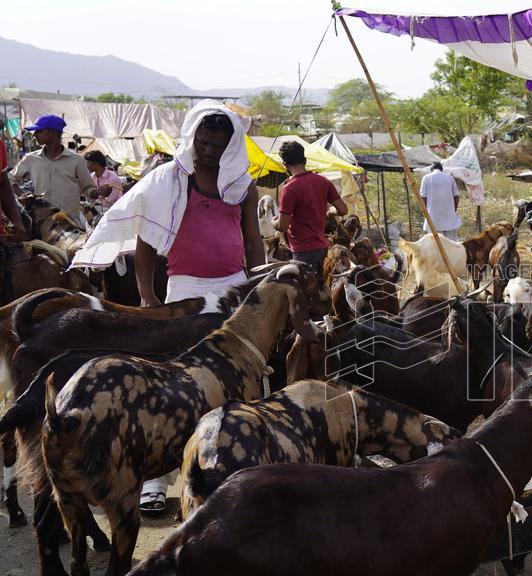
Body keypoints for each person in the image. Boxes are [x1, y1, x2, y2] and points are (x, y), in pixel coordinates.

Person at [70, 100, 265, 513]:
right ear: (193, 136)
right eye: (204, 142)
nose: (209, 150)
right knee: (173, 381)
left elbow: (252, 240)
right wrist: (147, 295)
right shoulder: (170, 180)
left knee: (240, 379)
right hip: (184, 291)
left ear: (232, 146)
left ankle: (237, 469)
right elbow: (146, 240)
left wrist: (259, 287)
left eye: (218, 145)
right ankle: (154, 481)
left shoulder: (242, 185)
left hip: (233, 288)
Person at [9, 114, 98, 223]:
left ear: (53, 134)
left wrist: (97, 192)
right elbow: (11, 178)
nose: (35, 135)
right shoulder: (31, 158)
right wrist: (22, 195)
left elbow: (88, 188)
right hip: (43, 222)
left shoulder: (76, 160)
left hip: (70, 222)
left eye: (39, 131)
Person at [275, 141, 347, 273]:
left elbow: (282, 226)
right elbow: (343, 210)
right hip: (325, 250)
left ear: (285, 165)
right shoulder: (323, 181)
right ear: (305, 160)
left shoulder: (288, 189)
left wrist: (273, 221)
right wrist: (329, 212)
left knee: (305, 292)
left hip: (303, 253)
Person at [419, 161, 461, 241]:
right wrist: (453, 210)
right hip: (449, 219)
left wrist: (426, 211)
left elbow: (423, 197)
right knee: (451, 244)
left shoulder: (426, 178)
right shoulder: (450, 178)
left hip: (433, 218)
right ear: (441, 169)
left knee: (435, 244)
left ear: (431, 169)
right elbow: (456, 197)